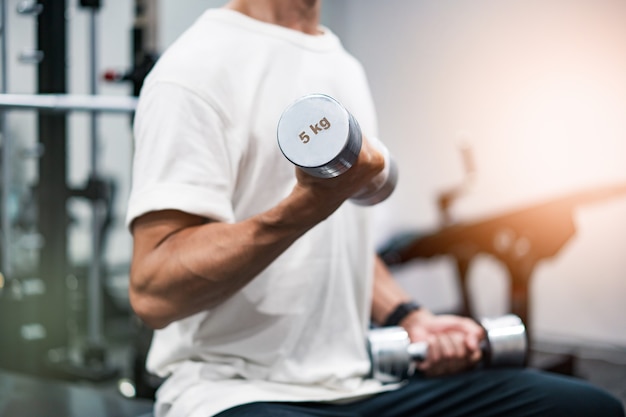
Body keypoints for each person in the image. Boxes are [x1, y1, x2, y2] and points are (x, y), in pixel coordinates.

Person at [126, 1, 625, 416]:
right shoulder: (194, 70)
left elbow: (338, 239)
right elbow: (154, 292)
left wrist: (410, 317)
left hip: (360, 378)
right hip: (236, 390)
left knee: (585, 410)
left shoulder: (340, 62)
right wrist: (303, 208)